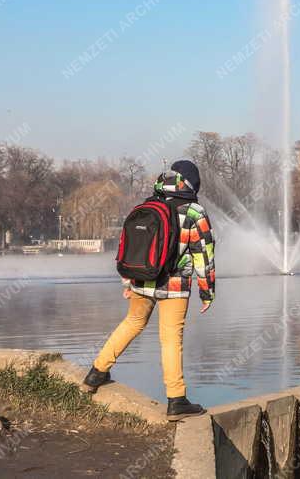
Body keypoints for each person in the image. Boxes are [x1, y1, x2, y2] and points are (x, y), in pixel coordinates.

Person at [82, 160, 216, 422]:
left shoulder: (147, 205)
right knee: (170, 339)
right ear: (192, 183)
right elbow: (204, 255)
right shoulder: (194, 212)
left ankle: (96, 373)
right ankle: (176, 400)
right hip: (174, 285)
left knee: (132, 323)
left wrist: (128, 281)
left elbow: (130, 247)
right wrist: (207, 291)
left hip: (142, 280)